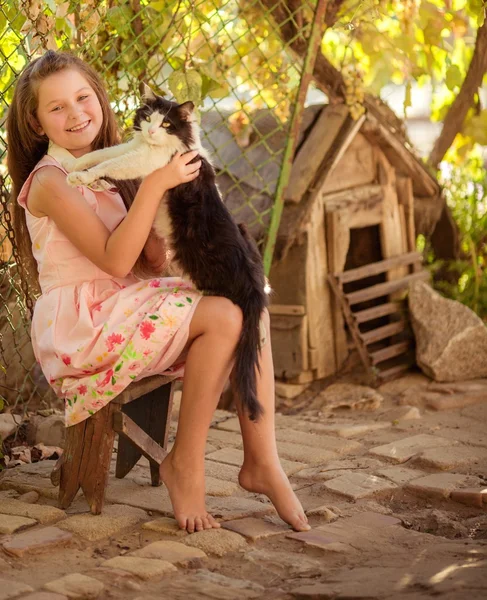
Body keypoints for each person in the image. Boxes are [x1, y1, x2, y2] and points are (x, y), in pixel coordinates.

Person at [7, 50, 310, 533]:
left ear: (100, 100)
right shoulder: (49, 180)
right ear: (36, 122)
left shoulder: (114, 169)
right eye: (57, 107)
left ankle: (262, 460)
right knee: (226, 317)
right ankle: (185, 466)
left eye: (83, 98)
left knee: (250, 301)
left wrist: (170, 203)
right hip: (84, 325)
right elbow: (113, 260)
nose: (76, 113)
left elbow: (146, 258)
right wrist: (154, 187)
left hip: (124, 303)